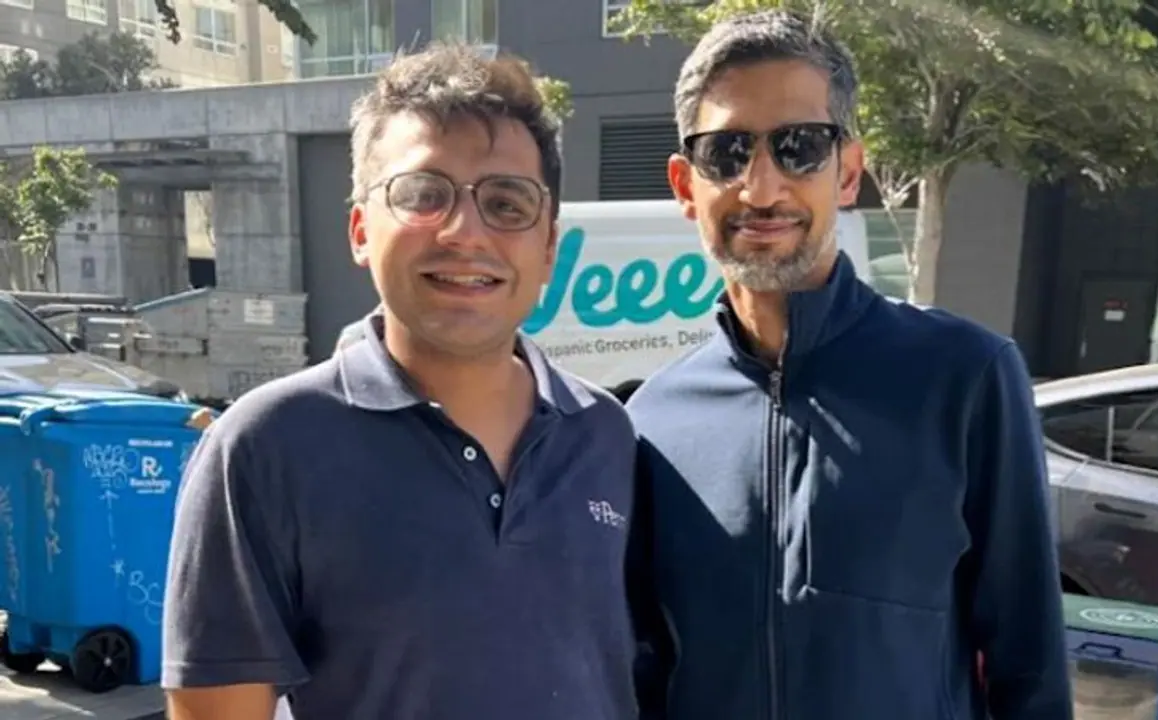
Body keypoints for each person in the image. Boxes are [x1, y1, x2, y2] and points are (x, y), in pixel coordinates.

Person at [162, 44, 642, 720]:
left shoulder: (606, 435)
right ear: (360, 229)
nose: (464, 231)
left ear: (549, 249)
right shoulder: (266, 447)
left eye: (507, 203)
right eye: (423, 195)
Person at [625, 10, 1072, 720]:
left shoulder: (965, 376)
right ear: (686, 185)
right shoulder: (650, 420)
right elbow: (644, 668)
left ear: (848, 172)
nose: (761, 187)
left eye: (799, 147)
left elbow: (1030, 664)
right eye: (727, 152)